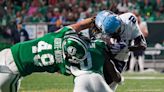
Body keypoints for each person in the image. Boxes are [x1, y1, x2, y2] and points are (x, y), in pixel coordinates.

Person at [0, 17, 113, 92]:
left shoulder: (60, 35)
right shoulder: (65, 65)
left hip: (7, 53)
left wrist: (100, 18)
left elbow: (81, 25)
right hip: (11, 72)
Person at [93, 10, 147, 91]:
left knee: (110, 83)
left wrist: (127, 48)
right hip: (105, 52)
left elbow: (142, 45)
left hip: (120, 57)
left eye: (118, 30)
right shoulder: (100, 22)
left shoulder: (129, 20)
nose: (117, 32)